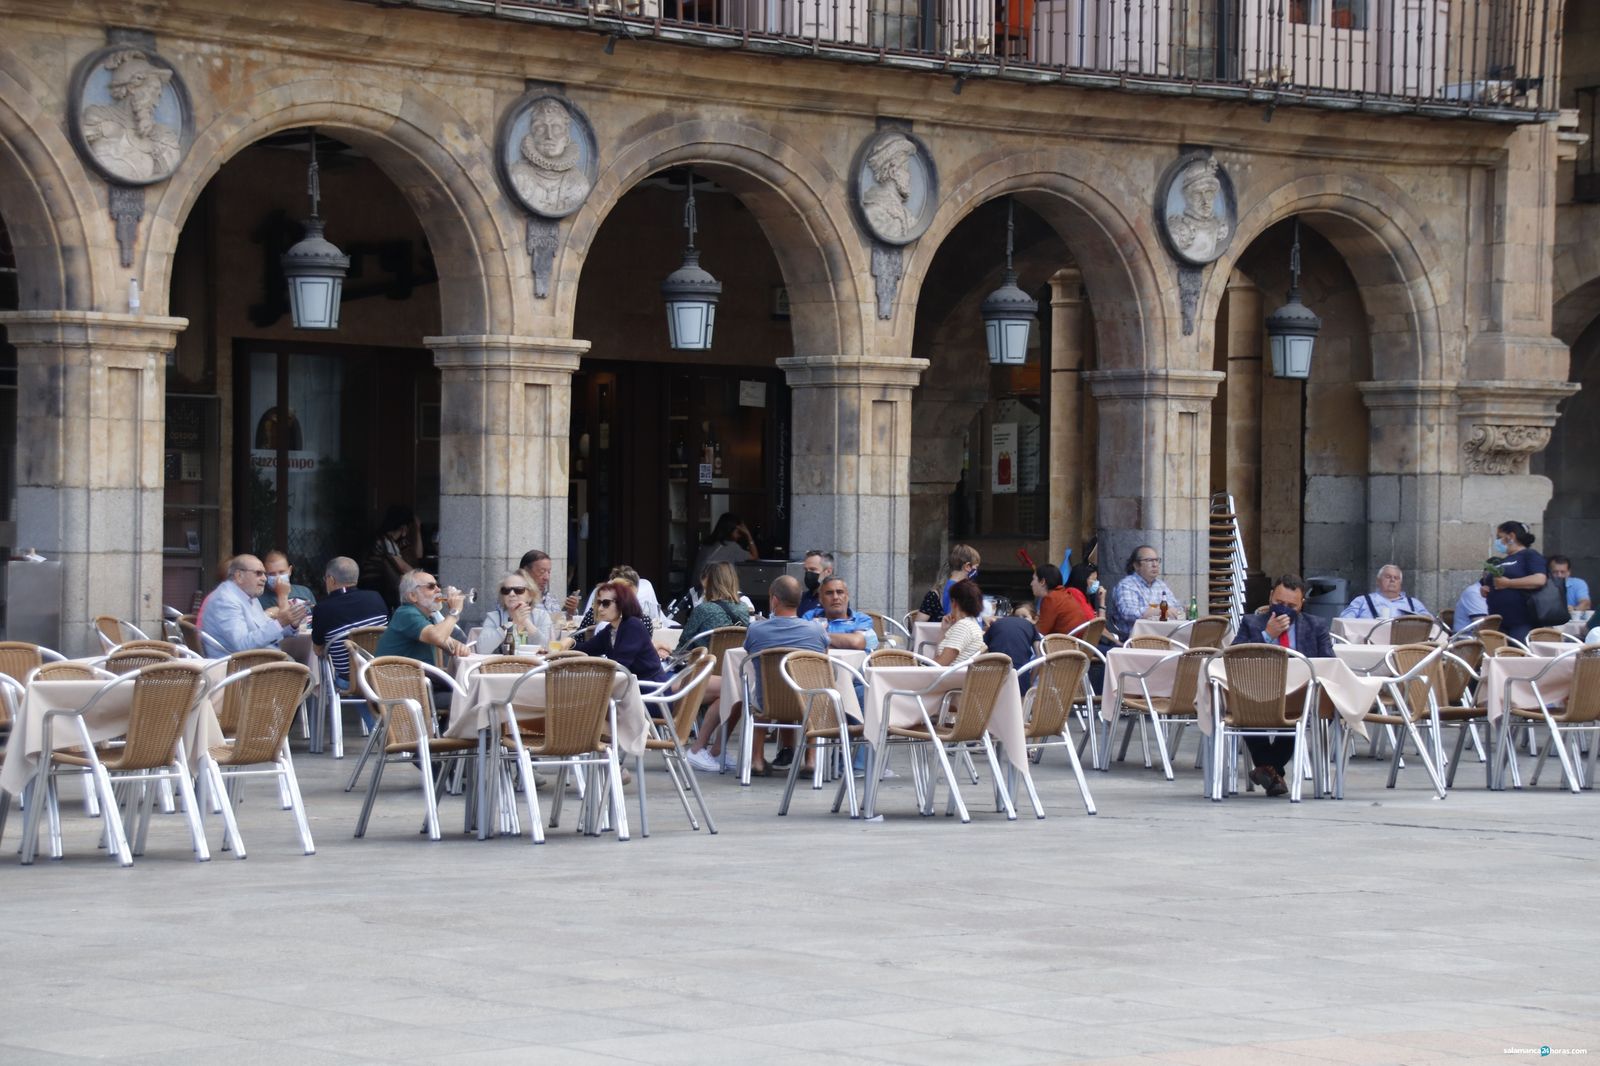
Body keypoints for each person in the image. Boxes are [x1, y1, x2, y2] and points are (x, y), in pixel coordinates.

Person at [1231, 574, 1333, 797]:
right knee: (1245, 708)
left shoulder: (1316, 625)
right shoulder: (1251, 623)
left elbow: (1329, 663)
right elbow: (1233, 657)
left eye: (1291, 606)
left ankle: (1267, 768)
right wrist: (1267, 635)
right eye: (1279, 603)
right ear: (1270, 597)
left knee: (1310, 710)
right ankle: (1272, 771)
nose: (1284, 609)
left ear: (1301, 604)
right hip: (1258, 694)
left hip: (1299, 696)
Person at [735, 575, 827, 776]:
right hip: (807, 702)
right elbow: (824, 659)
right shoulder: (816, 631)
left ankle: (756, 760)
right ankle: (811, 760)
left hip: (769, 702)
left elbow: (749, 652)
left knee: (757, 695)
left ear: (774, 600)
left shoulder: (756, 630)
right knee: (815, 690)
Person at [679, 562, 752, 774]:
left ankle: (698, 749)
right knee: (736, 690)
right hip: (729, 674)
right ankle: (716, 749)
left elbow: (683, 646)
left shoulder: (703, 610)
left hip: (702, 676)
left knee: (730, 690)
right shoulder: (743, 610)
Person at [374, 571, 469, 710]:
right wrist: (454, 612)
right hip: (402, 694)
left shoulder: (424, 617)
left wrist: (459, 646)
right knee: (471, 699)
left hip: (416, 689)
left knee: (470, 696)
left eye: (437, 585)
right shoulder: (407, 614)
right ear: (412, 596)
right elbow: (437, 636)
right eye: (431, 587)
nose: (438, 590)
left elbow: (448, 642)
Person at [201, 554, 308, 654]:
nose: (264, 578)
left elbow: (266, 629)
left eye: (264, 574)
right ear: (239, 576)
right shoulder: (225, 600)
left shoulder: (249, 596)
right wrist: (280, 623)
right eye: (258, 573)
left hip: (259, 660)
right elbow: (242, 645)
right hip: (240, 665)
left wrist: (291, 624)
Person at [310, 556, 389, 693]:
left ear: (331, 580)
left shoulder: (322, 609)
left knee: (319, 687)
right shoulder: (376, 597)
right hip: (382, 674)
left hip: (349, 681)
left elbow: (318, 651)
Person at [570, 580, 667, 684]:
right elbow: (586, 649)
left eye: (606, 603)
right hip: (627, 686)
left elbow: (621, 665)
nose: (600, 608)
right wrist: (570, 643)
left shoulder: (633, 625)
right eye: (598, 603)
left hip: (650, 687)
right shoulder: (610, 629)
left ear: (621, 604)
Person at [509, 97, 592, 216]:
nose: (549, 135)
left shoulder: (579, 184)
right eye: (541, 128)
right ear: (532, 134)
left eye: (556, 128)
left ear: (566, 137)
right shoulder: (517, 176)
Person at [1483, 520, 1547, 643]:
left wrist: (1508, 583)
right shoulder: (1504, 560)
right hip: (1499, 621)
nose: (1498, 541)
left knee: (1518, 651)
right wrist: (1486, 588)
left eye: (1499, 537)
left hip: (1521, 620)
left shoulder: (1529, 555)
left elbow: (1539, 579)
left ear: (1511, 536)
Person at [1109, 546, 1178, 642]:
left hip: (1162, 637)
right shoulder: (1126, 585)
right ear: (1136, 565)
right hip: (1134, 640)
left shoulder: (1161, 585)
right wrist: (1159, 610)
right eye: (1149, 560)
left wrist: (1167, 610)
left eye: (1157, 560)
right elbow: (1128, 613)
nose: (1155, 565)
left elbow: (1176, 607)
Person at [475, 572, 554, 654]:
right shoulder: (494, 617)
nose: (511, 594)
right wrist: (511, 623)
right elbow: (482, 649)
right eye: (506, 590)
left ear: (530, 595)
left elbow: (548, 648)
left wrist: (526, 622)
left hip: (535, 662)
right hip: (503, 662)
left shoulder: (542, 616)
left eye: (518, 590)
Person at [360, 505, 421, 610]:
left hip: (376, 588)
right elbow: (403, 567)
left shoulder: (393, 541)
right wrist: (423, 580)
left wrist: (418, 530)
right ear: (404, 527)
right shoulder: (385, 541)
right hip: (375, 587)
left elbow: (418, 554)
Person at [803, 576, 879, 653]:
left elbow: (856, 642)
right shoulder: (810, 616)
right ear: (820, 599)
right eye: (829, 593)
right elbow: (803, 643)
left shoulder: (861, 619)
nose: (835, 597)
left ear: (847, 596)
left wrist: (818, 635)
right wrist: (845, 643)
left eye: (840, 592)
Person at [984, 596, 1040, 693]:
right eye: (1017, 617)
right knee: (1020, 697)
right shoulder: (1031, 628)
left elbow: (983, 649)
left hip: (995, 673)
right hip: (1021, 673)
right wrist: (1031, 680)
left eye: (1024, 617)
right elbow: (1040, 654)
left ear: (1035, 619)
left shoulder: (999, 624)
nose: (1020, 620)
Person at [913, 544, 981, 623]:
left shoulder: (937, 592)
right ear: (967, 566)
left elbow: (918, 625)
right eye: (976, 567)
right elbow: (919, 623)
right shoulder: (961, 591)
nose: (976, 571)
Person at [690, 513, 758, 589]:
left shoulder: (706, 544)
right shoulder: (732, 547)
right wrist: (748, 535)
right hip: (715, 590)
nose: (740, 536)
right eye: (738, 532)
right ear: (730, 530)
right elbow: (754, 556)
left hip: (698, 589)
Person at [1339, 564, 1427, 620]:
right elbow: (1344, 621)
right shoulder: (1362, 601)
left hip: (1406, 642)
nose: (1392, 580)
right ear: (1378, 581)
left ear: (1400, 583)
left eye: (1396, 578)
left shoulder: (1414, 603)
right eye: (1388, 577)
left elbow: (1430, 622)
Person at [934, 579, 988, 667]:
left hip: (945, 674)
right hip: (950, 673)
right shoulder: (972, 623)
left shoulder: (963, 626)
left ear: (954, 602)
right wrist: (944, 630)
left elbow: (941, 663)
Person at [1033, 563, 1093, 637]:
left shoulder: (1051, 598)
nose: (1031, 584)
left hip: (1067, 642)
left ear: (1042, 581)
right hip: (1078, 640)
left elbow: (1040, 632)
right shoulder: (1063, 594)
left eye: (1033, 579)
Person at [518, 549, 580, 617]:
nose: (546, 577)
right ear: (526, 572)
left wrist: (570, 611)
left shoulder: (550, 597)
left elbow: (558, 620)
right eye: (541, 572)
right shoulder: (516, 598)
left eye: (549, 572)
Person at [257, 549, 317, 619]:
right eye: (272, 574)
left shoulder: (304, 591)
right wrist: (282, 594)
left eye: (281, 572)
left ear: (290, 570)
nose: (278, 578)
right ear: (265, 574)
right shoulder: (259, 599)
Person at [798, 549, 835, 618]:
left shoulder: (835, 600)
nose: (808, 573)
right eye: (806, 570)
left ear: (828, 572)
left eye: (813, 569)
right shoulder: (801, 598)